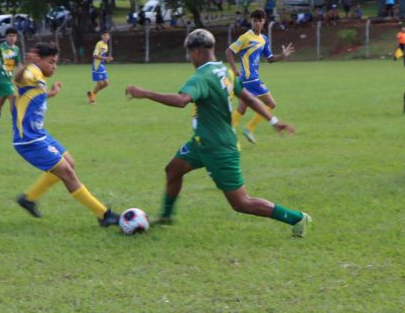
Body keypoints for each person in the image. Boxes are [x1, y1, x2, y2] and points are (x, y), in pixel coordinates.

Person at [125, 29, 310, 236]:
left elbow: (182, 101)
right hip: (200, 143)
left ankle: (297, 218)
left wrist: (145, 93)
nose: (189, 58)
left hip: (219, 148)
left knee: (241, 203)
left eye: (189, 54)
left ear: (196, 52)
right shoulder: (225, 72)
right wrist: (273, 121)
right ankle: (166, 216)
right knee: (173, 170)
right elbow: (248, 98)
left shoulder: (201, 77)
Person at [12, 43, 119, 227]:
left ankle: (28, 199)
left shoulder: (38, 76)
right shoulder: (32, 71)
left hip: (40, 134)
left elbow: (30, 94)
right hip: (29, 140)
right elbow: (18, 79)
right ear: (39, 60)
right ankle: (104, 215)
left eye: (56, 62)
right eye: (51, 62)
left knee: (69, 163)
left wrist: (51, 93)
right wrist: (25, 65)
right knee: (67, 173)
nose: (55, 66)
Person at [226, 8, 295, 144]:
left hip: (247, 79)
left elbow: (270, 59)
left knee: (242, 108)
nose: (257, 23)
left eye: (259, 21)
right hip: (250, 79)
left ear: (264, 22)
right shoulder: (245, 37)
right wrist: (234, 69)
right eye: (254, 20)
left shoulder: (264, 39)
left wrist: (283, 55)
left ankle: (227, 132)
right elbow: (229, 51)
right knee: (270, 103)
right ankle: (248, 128)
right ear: (251, 21)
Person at [87, 31, 113, 104]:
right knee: (100, 84)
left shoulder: (106, 45)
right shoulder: (99, 44)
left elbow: (102, 56)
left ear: (109, 37)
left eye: (107, 35)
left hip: (102, 66)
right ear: (102, 36)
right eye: (104, 35)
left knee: (106, 83)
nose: (106, 37)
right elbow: (95, 56)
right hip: (96, 66)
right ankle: (92, 99)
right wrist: (106, 58)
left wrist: (107, 59)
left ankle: (91, 93)